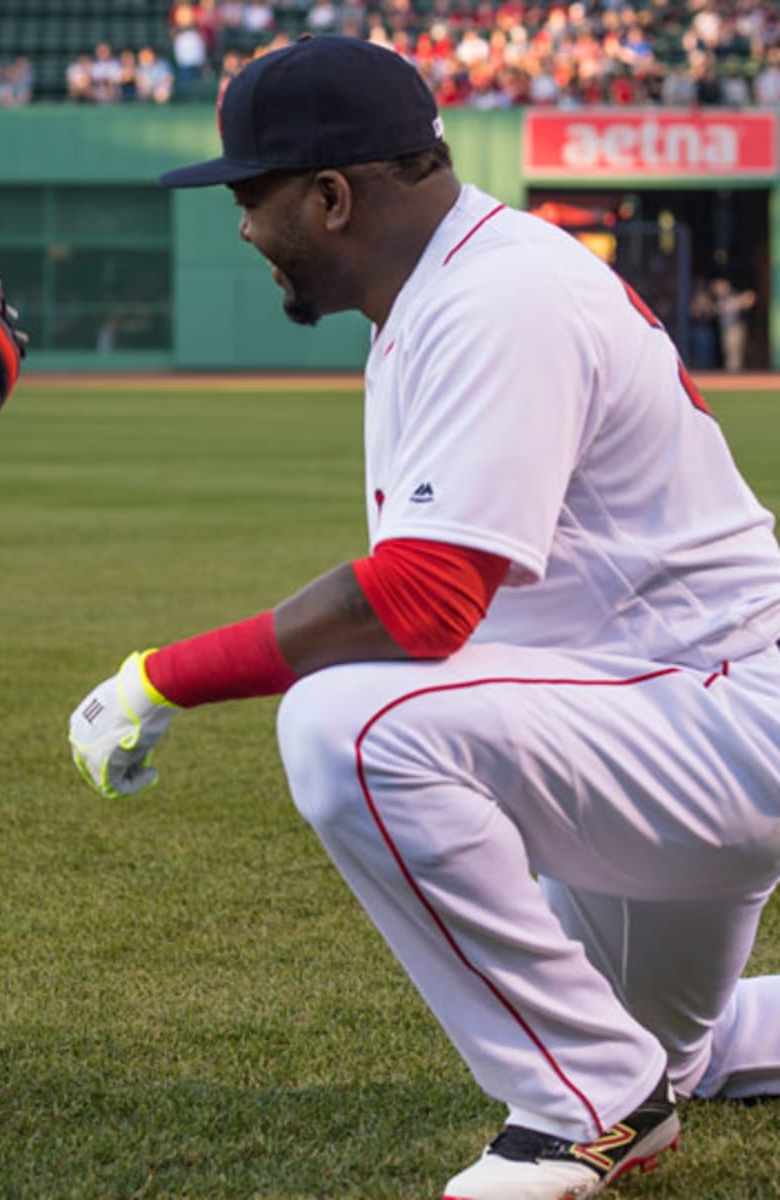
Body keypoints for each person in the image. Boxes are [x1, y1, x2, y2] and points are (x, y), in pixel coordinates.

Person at [67, 36, 780, 1200]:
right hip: (657, 719)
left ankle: (581, 1107)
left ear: (333, 196)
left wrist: (162, 675)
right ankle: (638, 1074)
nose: (244, 227)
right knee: (674, 1054)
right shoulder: (464, 282)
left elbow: (421, 601)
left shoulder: (498, 298)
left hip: (713, 724)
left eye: (254, 196)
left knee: (345, 724)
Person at [711, 276, 755, 373]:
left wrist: (737, 303)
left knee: (735, 354)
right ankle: (731, 374)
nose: (717, 289)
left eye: (721, 286)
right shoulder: (719, 299)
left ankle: (735, 376)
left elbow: (750, 298)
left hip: (735, 328)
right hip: (725, 329)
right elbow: (714, 310)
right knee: (728, 353)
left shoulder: (733, 295)